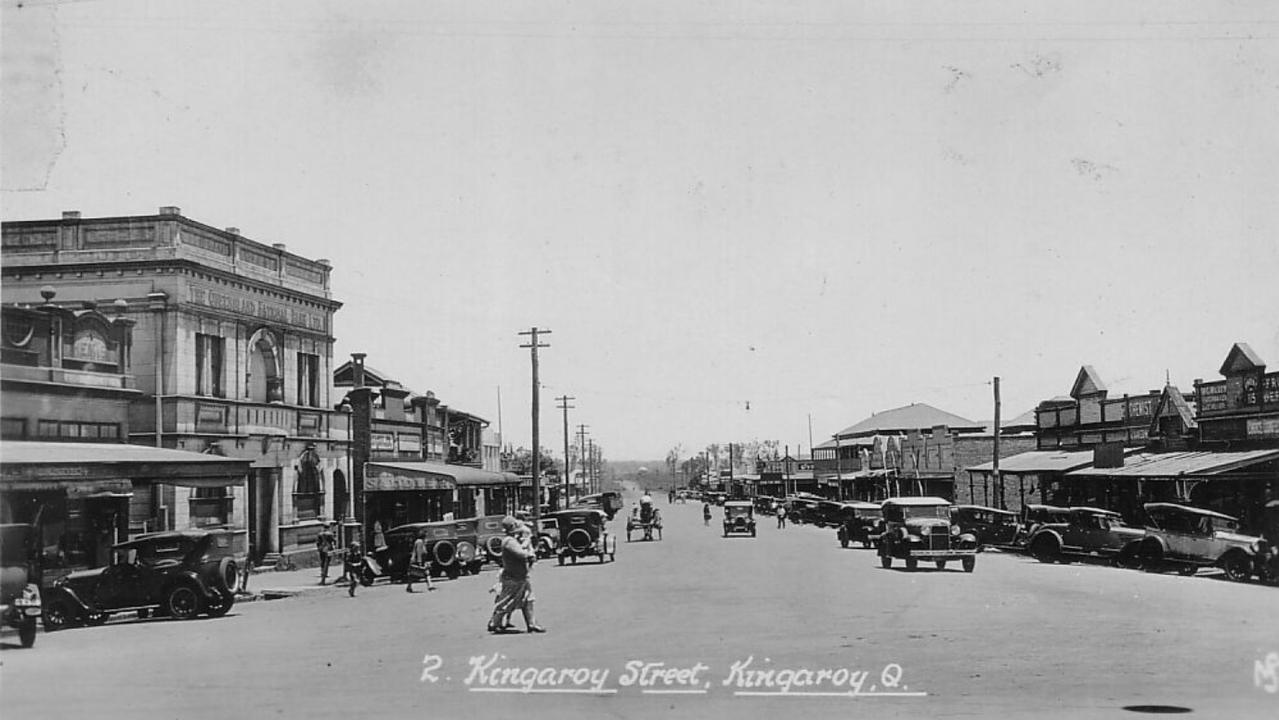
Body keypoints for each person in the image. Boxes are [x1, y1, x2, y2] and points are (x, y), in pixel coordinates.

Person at [488, 516, 544, 634]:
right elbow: (521, 554)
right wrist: (529, 551)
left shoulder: (514, 540)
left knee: (528, 599)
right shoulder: (509, 541)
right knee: (506, 602)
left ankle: (532, 624)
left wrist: (527, 543)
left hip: (521, 576)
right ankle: (495, 622)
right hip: (513, 577)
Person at [405, 529, 435, 593]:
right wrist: (420, 562)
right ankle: (409, 587)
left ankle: (430, 586)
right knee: (413, 574)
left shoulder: (421, 541)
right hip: (417, 560)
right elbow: (419, 552)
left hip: (421, 560)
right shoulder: (419, 542)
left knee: (426, 573)